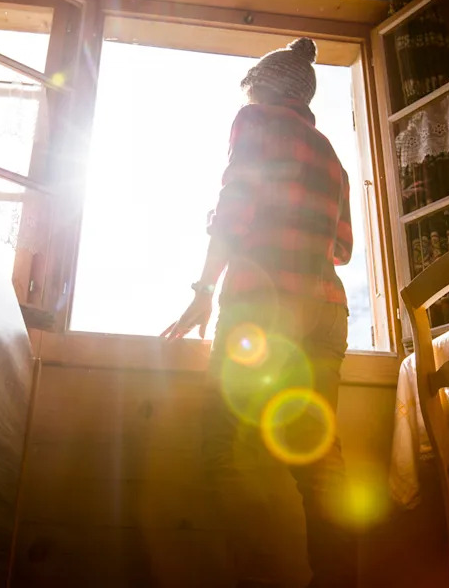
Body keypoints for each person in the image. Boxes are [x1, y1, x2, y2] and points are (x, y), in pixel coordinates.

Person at [162, 38, 356, 588]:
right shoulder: (331, 156)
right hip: (324, 312)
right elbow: (341, 248)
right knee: (320, 461)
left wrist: (203, 288)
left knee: (222, 449)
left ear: (264, 89)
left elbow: (233, 212)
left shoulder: (254, 121)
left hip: (261, 308)